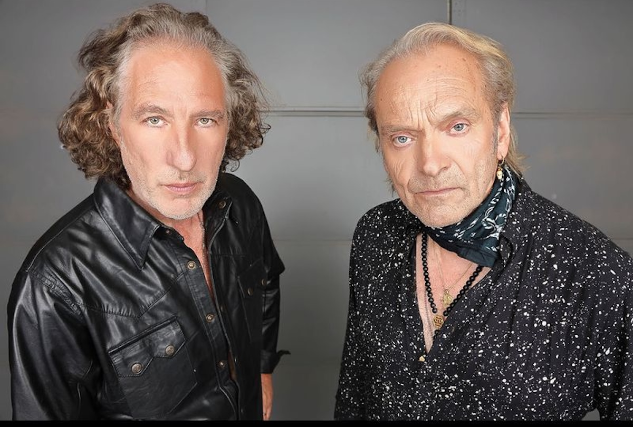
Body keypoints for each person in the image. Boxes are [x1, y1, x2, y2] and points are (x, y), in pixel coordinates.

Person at [334, 22, 633, 420]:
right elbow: (355, 397)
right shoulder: (375, 235)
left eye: (456, 127)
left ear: (501, 130)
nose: (430, 164)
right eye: (402, 137)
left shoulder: (597, 273)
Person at [7, 3, 287, 420]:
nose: (184, 157)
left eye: (205, 120)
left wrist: (261, 370)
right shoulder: (56, 283)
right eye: (155, 119)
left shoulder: (240, 203)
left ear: (229, 121)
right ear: (111, 124)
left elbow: (264, 284)